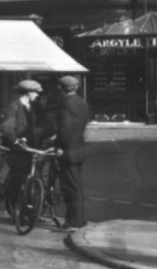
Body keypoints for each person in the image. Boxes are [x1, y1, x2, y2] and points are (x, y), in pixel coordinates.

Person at [52, 74, 90, 231]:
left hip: (68, 151)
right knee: (76, 187)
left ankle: (72, 223)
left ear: (61, 89)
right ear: (76, 88)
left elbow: (66, 129)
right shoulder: (82, 102)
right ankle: (79, 221)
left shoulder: (66, 104)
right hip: (79, 148)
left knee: (69, 188)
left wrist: (59, 146)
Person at [0, 79, 45, 199]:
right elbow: (8, 127)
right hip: (15, 146)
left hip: (29, 145)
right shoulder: (14, 106)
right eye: (35, 92)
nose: (37, 95)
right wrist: (15, 140)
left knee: (31, 174)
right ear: (27, 93)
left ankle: (28, 203)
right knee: (19, 176)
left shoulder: (33, 105)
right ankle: (15, 205)